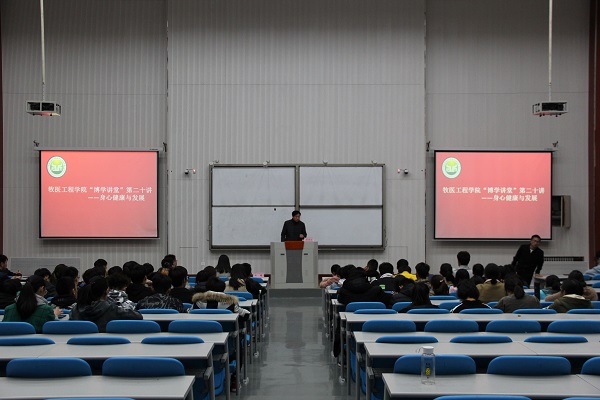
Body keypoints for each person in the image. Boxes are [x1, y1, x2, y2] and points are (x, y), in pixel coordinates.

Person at [70, 276, 142, 332]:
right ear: (107, 291)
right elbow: (138, 316)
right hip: (109, 344)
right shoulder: (112, 309)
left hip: (81, 344)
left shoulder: (75, 310)